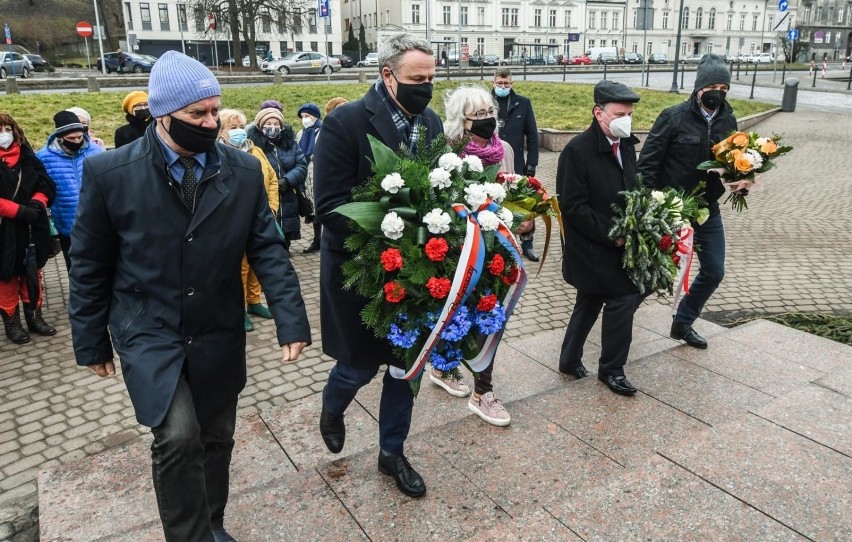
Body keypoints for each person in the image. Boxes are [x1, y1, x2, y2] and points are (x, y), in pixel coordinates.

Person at [68, 51, 310, 542]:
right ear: (162, 115)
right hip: (148, 326)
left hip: (217, 325)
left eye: (215, 110)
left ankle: (212, 523)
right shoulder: (110, 174)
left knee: (216, 436)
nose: (211, 122)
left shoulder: (241, 171)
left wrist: (291, 318)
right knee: (178, 436)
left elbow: (267, 248)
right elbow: (89, 263)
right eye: (197, 114)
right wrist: (90, 340)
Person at [313, 33, 441, 498]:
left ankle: (392, 453)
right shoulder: (344, 122)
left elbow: (436, 190)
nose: (426, 87)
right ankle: (332, 406)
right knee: (359, 365)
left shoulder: (430, 121)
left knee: (407, 366)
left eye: (431, 78)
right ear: (388, 75)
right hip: (360, 270)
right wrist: (396, 231)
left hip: (418, 273)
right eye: (416, 79)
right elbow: (327, 206)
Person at [429, 84, 517, 426]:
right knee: (455, 315)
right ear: (460, 120)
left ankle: (483, 393)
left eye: (489, 113)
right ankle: (443, 366)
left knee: (489, 318)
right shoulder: (450, 153)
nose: (486, 120)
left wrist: (520, 221)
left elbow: (512, 189)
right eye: (477, 115)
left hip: (496, 249)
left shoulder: (503, 148)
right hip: (462, 249)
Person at [637, 54, 736, 350]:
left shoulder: (729, 119)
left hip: (708, 210)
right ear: (699, 87)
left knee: (714, 270)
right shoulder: (673, 116)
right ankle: (619, 314)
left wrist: (740, 182)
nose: (719, 92)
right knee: (657, 271)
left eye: (725, 87)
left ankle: (683, 321)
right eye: (714, 85)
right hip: (672, 209)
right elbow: (647, 165)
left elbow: (733, 162)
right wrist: (650, 205)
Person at [556, 80, 642, 397]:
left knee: (590, 300)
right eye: (620, 113)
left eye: (630, 114)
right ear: (598, 113)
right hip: (591, 248)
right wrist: (614, 235)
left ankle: (568, 360)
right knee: (623, 298)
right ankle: (612, 370)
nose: (626, 120)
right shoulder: (577, 151)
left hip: (620, 243)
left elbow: (632, 188)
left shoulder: (627, 144)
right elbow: (572, 207)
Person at [218, 108, 280, 332]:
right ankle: (240, 309)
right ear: (222, 133)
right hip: (236, 220)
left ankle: (254, 302)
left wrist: (271, 207)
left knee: (255, 263)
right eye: (232, 128)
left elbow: (272, 179)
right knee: (239, 267)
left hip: (261, 217)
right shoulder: (218, 155)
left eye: (241, 127)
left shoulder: (256, 150)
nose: (238, 131)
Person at [0, 113, 57, 344]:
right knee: (7, 278)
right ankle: (12, 324)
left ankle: (35, 318)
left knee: (33, 274)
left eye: (7, 128)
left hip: (33, 228)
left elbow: (45, 183)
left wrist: (38, 202)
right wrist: (18, 211)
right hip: (5, 232)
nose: (4, 134)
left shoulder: (27, 156)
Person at [36, 110, 104, 270]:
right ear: (60, 137)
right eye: (71, 138)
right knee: (74, 267)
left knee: (100, 265)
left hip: (96, 221)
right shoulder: (43, 157)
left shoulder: (95, 151)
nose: (77, 141)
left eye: (80, 137)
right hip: (67, 223)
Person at [492, 68, 540, 261]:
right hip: (493, 161)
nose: (503, 87)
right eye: (500, 83)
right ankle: (501, 245)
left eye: (507, 84)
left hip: (517, 163)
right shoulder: (485, 102)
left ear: (512, 83)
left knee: (524, 205)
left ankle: (527, 242)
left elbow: (533, 136)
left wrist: (532, 164)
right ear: (493, 82)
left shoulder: (523, 103)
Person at [246, 106, 307, 252]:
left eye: (276, 124)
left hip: (287, 199)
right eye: (268, 124)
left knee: (285, 242)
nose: (272, 127)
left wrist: (287, 180)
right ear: (260, 126)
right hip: (265, 199)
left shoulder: (290, 144)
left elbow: (301, 165)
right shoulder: (252, 146)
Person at [295, 102, 322, 253]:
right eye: (303, 116)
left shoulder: (323, 130)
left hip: (319, 170)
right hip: (307, 174)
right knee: (312, 209)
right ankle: (317, 239)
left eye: (308, 116)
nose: (305, 119)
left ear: (315, 117)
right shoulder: (301, 133)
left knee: (321, 206)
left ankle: (326, 239)